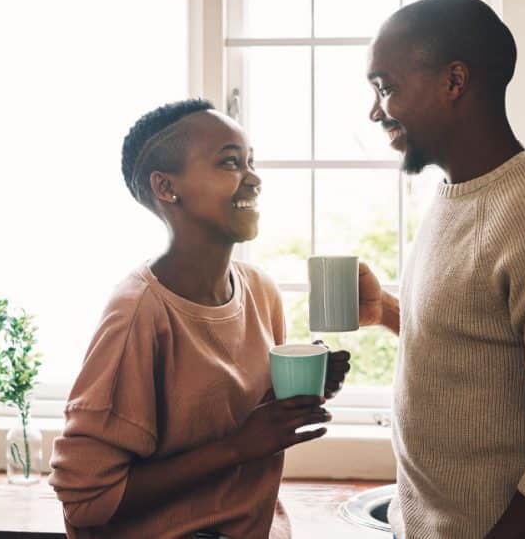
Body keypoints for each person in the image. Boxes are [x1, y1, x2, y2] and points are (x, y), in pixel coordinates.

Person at [357, 0, 525, 539]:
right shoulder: (458, 196)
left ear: (454, 81)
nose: (375, 110)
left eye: (386, 88)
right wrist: (387, 311)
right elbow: (478, 348)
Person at [49, 99, 352, 539]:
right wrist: (236, 447)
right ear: (167, 188)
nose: (254, 178)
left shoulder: (260, 291)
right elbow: (87, 501)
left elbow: (241, 422)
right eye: (230, 163)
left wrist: (298, 396)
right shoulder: (138, 312)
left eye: (251, 162)